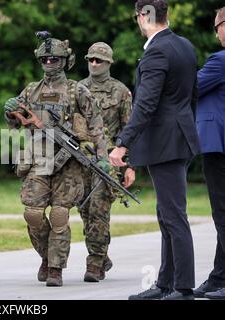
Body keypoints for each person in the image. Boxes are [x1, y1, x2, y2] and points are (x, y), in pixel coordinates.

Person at [109, 0, 201, 300]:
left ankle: (183, 287)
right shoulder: (185, 45)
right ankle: (166, 283)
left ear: (143, 17)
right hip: (180, 137)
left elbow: (145, 105)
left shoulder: (157, 51)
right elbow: (192, 96)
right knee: (166, 213)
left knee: (174, 215)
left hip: (166, 141)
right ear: (167, 15)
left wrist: (123, 143)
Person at [4, 31, 109, 287]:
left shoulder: (77, 91)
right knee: (33, 214)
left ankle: (55, 268)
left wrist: (102, 156)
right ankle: (46, 256)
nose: (50, 63)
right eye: (45, 59)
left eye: (55, 58)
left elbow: (96, 125)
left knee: (60, 215)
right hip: (38, 161)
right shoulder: (31, 90)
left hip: (69, 164)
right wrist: (10, 113)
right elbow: (16, 122)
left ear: (65, 60)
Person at [79, 42, 135, 282]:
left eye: (98, 60)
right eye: (91, 59)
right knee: (84, 210)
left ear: (108, 63)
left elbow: (129, 129)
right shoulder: (78, 89)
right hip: (81, 158)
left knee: (99, 210)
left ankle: (94, 263)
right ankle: (102, 254)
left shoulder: (121, 91)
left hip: (109, 161)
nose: (94, 63)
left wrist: (131, 165)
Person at [193, 7, 225, 300]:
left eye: (218, 26)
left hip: (219, 147)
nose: (216, 33)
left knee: (223, 213)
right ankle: (218, 277)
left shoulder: (221, 60)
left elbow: (191, 88)